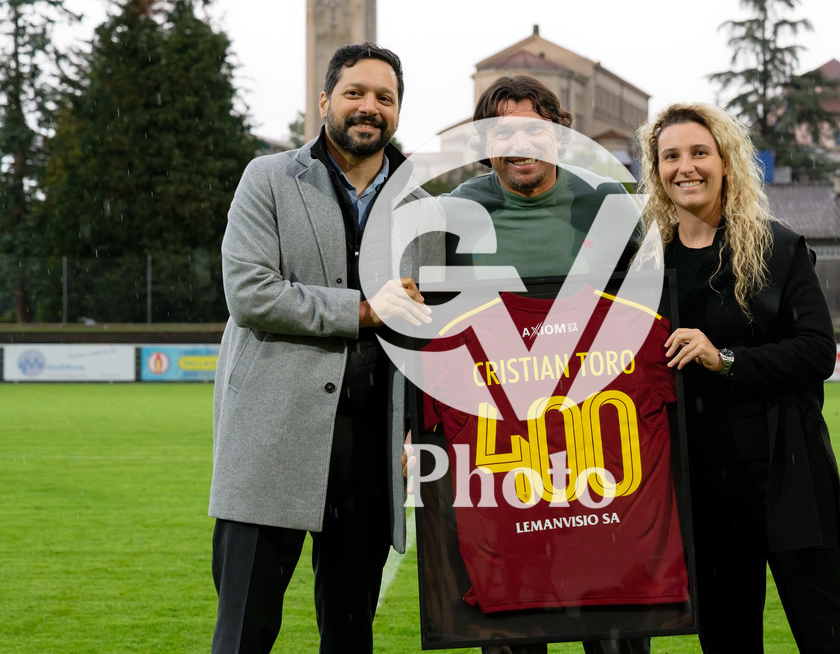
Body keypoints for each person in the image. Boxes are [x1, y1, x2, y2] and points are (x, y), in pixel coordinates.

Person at [209, 42, 440, 653]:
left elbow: (427, 331)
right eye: (355, 93)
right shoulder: (269, 177)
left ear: (398, 111)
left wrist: (416, 426)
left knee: (348, 630)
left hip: (371, 446)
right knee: (244, 628)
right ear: (325, 101)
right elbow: (251, 295)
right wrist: (362, 312)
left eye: (384, 98)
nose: (369, 108)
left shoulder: (423, 208)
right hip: (270, 433)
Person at [635, 102, 840, 653]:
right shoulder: (646, 265)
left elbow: (817, 352)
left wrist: (727, 359)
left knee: (831, 638)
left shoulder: (778, 247)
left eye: (699, 152)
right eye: (670, 156)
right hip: (704, 496)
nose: (685, 167)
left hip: (792, 482)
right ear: (656, 170)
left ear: (726, 161)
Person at [443, 75, 652, 654]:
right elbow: (437, 329)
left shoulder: (606, 203)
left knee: (612, 615)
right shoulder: (456, 213)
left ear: (558, 135)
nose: (520, 143)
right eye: (502, 130)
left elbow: (643, 313)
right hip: (504, 446)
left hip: (596, 436)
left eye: (533, 128)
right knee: (511, 612)